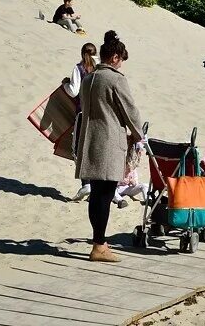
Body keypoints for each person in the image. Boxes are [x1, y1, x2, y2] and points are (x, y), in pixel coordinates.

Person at [76, 31, 143, 263]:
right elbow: (130, 110)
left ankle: (99, 241)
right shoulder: (115, 79)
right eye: (121, 59)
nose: (122, 64)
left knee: (96, 195)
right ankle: (99, 245)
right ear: (114, 57)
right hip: (109, 141)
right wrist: (138, 135)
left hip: (89, 139)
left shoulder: (88, 78)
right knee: (105, 195)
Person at [64, 42, 97, 203]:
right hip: (100, 116)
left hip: (83, 114)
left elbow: (73, 90)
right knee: (94, 149)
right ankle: (94, 185)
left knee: (78, 149)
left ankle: (86, 183)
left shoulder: (79, 68)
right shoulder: (101, 69)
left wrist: (65, 85)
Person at [113, 140, 147, 209]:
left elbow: (136, 184)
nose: (129, 169)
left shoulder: (133, 171)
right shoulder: (119, 169)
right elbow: (112, 181)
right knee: (111, 191)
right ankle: (120, 201)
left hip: (127, 188)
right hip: (118, 188)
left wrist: (133, 182)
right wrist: (120, 181)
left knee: (144, 185)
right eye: (127, 167)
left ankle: (147, 200)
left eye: (130, 167)